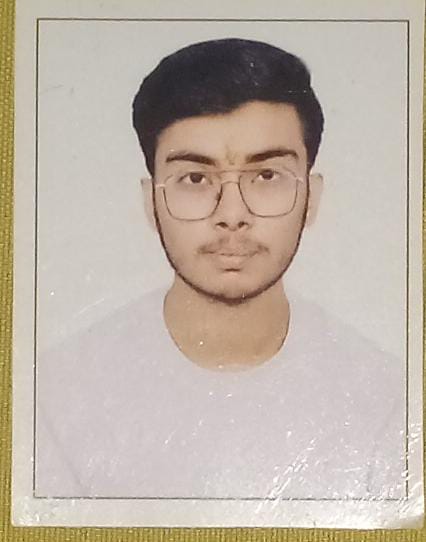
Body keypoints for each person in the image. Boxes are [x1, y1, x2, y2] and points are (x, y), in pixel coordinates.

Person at [36, 38, 406, 500]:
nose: (232, 214)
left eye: (267, 175)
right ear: (151, 201)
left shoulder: (388, 400)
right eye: (195, 178)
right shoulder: (55, 398)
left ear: (311, 197)